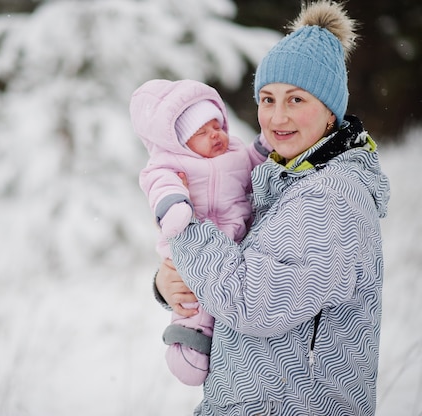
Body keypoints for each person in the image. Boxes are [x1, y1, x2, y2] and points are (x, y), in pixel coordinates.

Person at [154, 1, 391, 415]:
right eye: (267, 99)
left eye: (296, 99)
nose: (277, 117)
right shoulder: (284, 180)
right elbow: (240, 262)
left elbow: (250, 302)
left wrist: (183, 227)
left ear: (331, 112)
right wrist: (170, 283)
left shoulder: (331, 196)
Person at [130, 79, 270, 386]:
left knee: (221, 301)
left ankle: (216, 344)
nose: (215, 135)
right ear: (181, 141)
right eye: (201, 132)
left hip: (233, 244)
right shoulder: (168, 164)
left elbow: (253, 162)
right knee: (191, 297)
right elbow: (161, 186)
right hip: (191, 248)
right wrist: (175, 205)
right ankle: (189, 337)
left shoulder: (234, 151)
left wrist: (264, 146)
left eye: (216, 126)